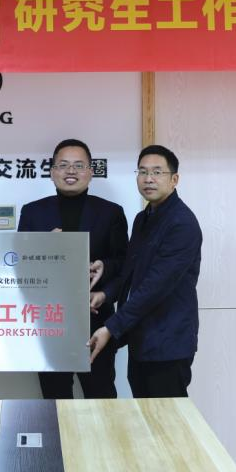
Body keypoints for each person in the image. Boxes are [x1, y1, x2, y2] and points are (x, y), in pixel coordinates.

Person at [87, 145, 202, 398]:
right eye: (143, 171)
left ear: (174, 179)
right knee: (145, 415)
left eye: (157, 172)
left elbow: (153, 287)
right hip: (142, 340)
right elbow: (132, 273)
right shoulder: (143, 218)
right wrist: (105, 293)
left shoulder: (181, 223)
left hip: (168, 343)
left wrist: (110, 328)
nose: (148, 179)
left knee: (166, 419)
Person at [18, 138, 128, 399]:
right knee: (54, 400)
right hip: (48, 323)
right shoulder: (32, 212)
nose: (71, 171)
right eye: (63, 165)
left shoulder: (111, 212)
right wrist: (43, 247)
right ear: (52, 171)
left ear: (90, 171)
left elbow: (124, 264)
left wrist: (105, 294)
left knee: (101, 399)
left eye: (79, 165)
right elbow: (18, 266)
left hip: (96, 321)